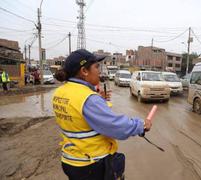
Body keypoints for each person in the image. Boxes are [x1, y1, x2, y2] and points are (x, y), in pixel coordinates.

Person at [53, 49, 152, 180]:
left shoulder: (60, 92)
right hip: (91, 164)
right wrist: (141, 125)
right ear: (84, 71)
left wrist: (99, 100)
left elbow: (79, 119)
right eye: (96, 67)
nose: (99, 71)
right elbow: (116, 127)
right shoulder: (89, 99)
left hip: (70, 161)